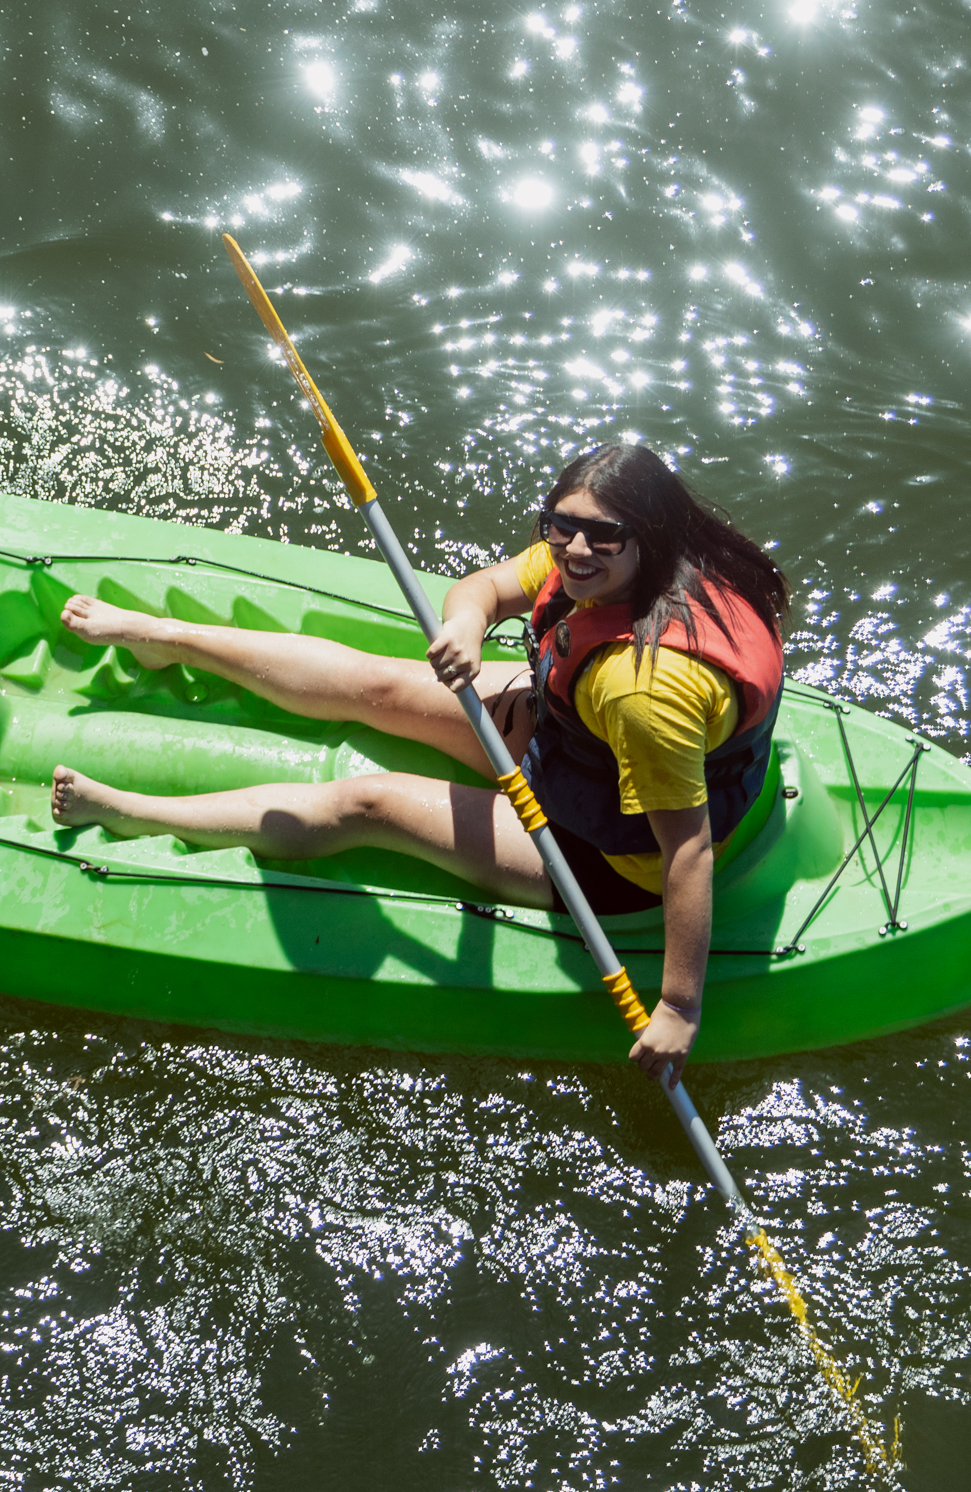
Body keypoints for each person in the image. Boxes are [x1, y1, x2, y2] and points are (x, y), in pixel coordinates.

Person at [47, 442, 784, 1083]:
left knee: (368, 802)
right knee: (383, 683)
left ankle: (132, 813)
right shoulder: (603, 559)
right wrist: (466, 628)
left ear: (649, 536)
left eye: (603, 536)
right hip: (573, 737)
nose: (576, 550)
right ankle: (162, 635)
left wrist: (680, 1006)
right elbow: (486, 588)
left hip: (604, 854)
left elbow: (684, 849)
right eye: (561, 526)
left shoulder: (643, 691)